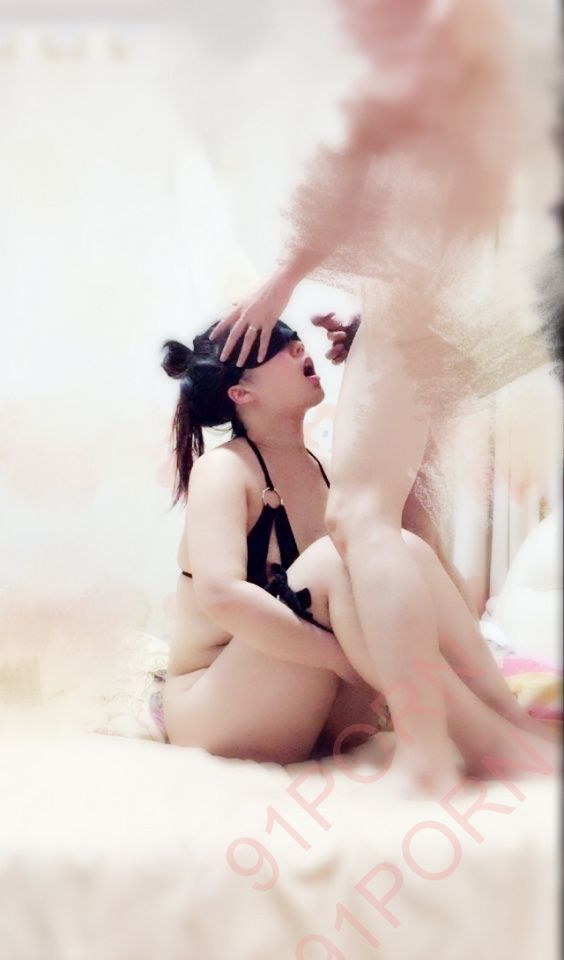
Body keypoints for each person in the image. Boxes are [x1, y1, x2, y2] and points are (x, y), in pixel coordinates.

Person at [209, 0, 555, 793]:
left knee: (360, 516)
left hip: (424, 283)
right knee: (377, 524)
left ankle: (428, 752)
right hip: (443, 285)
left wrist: (283, 279)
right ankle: (494, 730)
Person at [160, 319, 558, 786]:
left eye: (294, 338)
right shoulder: (224, 469)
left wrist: (377, 355)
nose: (298, 346)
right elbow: (221, 595)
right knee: (339, 557)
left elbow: (414, 556)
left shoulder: (330, 475)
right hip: (216, 711)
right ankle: (485, 742)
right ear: (241, 393)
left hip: (311, 700)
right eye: (277, 346)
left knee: (395, 545)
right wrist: (342, 657)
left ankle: (507, 716)